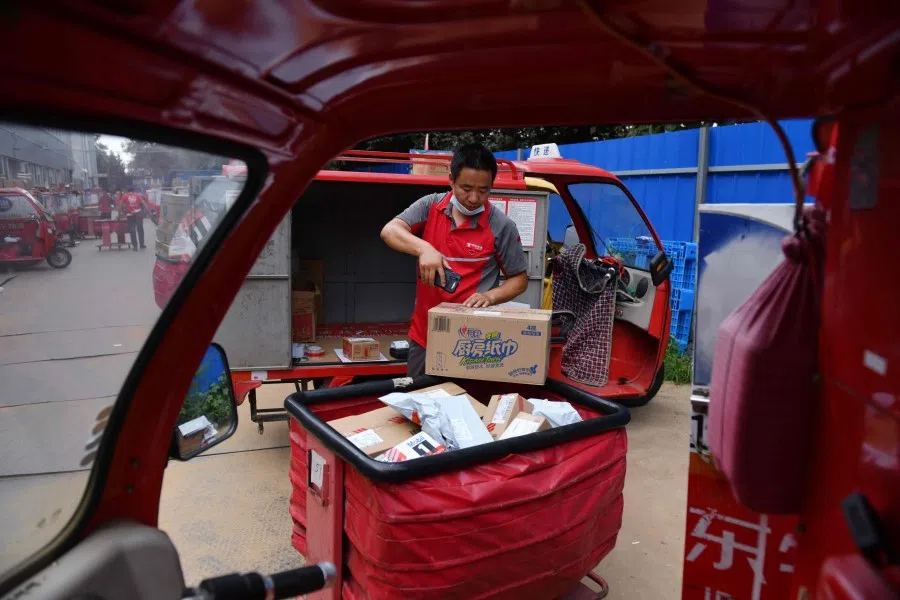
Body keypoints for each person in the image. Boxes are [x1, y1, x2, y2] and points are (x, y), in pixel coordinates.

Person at [380, 143, 529, 377]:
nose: (474, 198)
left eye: (484, 190)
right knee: (420, 404)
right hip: (425, 335)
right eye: (466, 188)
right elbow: (389, 231)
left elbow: (519, 279)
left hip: (474, 343)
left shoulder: (501, 225)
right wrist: (424, 248)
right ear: (451, 179)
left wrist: (489, 296)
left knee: (468, 408)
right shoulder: (431, 206)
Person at [119, 185, 150, 251]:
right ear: (134, 190)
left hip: (130, 215)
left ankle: (135, 246)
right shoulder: (138, 195)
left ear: (128, 191)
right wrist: (145, 212)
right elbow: (144, 204)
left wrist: (121, 212)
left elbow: (120, 205)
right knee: (140, 229)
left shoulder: (125, 196)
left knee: (132, 230)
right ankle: (141, 244)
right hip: (138, 214)